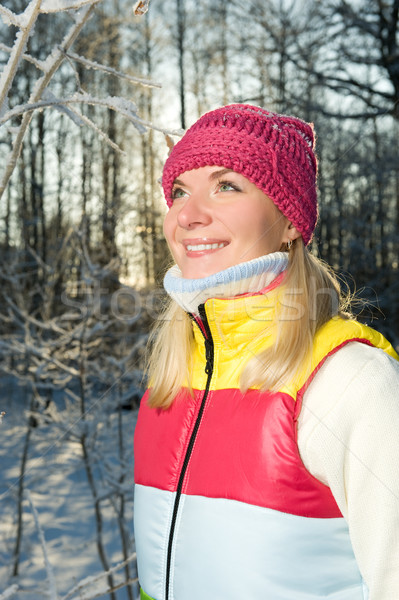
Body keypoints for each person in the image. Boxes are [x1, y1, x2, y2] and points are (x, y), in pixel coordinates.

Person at [133, 104, 399, 600]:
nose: (186, 216)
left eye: (226, 185)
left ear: (288, 222)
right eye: (179, 192)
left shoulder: (351, 382)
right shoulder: (168, 383)